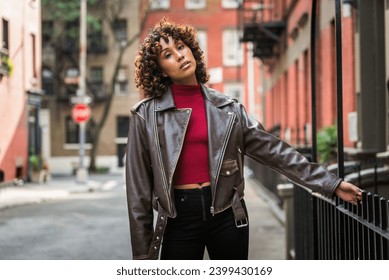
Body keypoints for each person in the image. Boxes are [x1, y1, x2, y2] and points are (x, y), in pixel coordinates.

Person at [125, 18, 362, 260]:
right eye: (167, 54)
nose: (179, 55)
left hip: (228, 214)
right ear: (159, 70)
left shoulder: (228, 109)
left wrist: (330, 183)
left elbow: (274, 151)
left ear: (191, 49)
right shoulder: (145, 116)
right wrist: (143, 258)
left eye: (181, 46)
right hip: (178, 218)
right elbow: (138, 195)